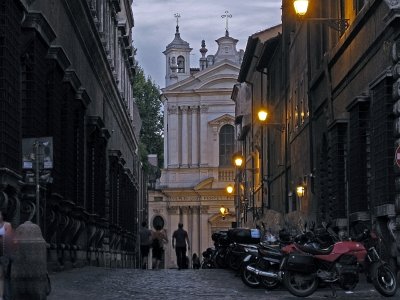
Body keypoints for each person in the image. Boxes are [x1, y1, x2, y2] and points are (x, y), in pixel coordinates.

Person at [0, 211, 13, 300]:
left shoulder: (7, 225)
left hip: (4, 253)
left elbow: (8, 237)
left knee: (5, 276)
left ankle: (7, 296)